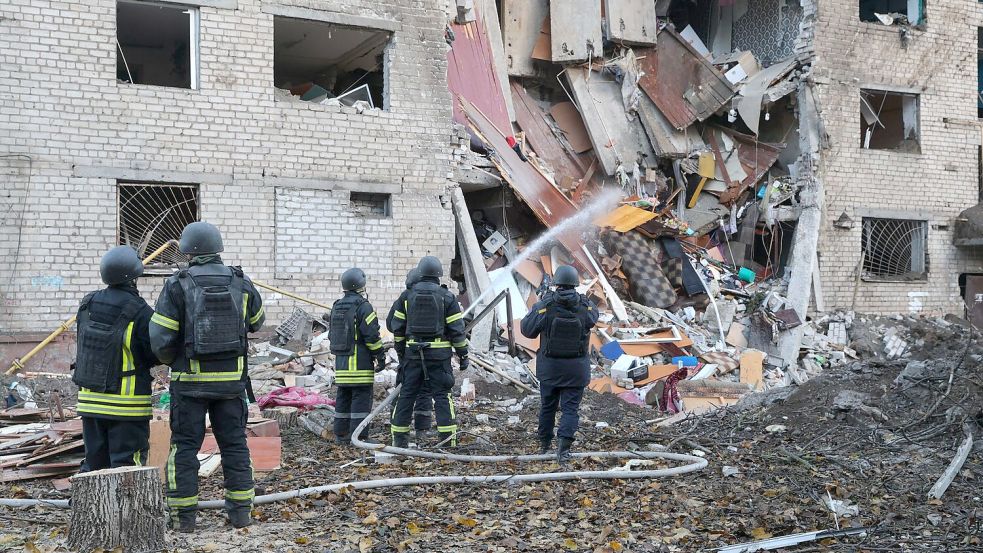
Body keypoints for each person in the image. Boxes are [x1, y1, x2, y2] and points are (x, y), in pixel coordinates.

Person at [150, 222, 265, 532]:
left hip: (188, 386)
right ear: (218, 248)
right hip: (231, 385)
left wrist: (172, 360)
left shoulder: (177, 284)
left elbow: (160, 340)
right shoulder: (241, 282)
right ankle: (241, 515)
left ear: (188, 250)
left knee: (184, 448)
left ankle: (183, 520)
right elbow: (257, 321)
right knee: (235, 445)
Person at [74, 245, 158, 472]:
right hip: (127, 406)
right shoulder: (141, 311)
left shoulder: (87, 304)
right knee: (127, 468)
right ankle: (130, 509)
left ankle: (87, 507)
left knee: (94, 464)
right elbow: (154, 353)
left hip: (90, 403)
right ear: (133, 277)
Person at [520, 265, 598, 464]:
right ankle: (563, 450)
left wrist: (540, 305)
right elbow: (593, 318)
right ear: (575, 283)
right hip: (576, 371)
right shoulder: (585, 306)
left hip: (550, 370)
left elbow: (527, 331)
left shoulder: (545, 306)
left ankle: (544, 444)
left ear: (556, 284)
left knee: (548, 407)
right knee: (571, 409)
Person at [389, 256, 469, 448]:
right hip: (439, 358)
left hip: (413, 356)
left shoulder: (406, 296)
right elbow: (457, 331)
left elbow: (397, 329)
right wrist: (463, 354)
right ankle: (448, 442)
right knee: (443, 396)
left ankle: (399, 442)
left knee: (406, 395)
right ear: (439, 275)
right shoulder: (447, 297)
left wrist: (402, 353)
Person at [328, 267, 385, 445]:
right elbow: (372, 336)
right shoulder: (363, 307)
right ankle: (359, 437)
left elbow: (332, 335)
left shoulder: (337, 306)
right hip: (359, 365)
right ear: (361, 285)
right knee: (361, 401)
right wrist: (380, 355)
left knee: (343, 399)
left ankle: (341, 435)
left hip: (342, 365)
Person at [386, 268, 436, 442]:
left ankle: (397, 428)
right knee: (424, 392)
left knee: (404, 392)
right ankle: (422, 430)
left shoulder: (404, 297)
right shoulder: (436, 296)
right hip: (432, 356)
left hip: (409, 356)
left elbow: (391, 324)